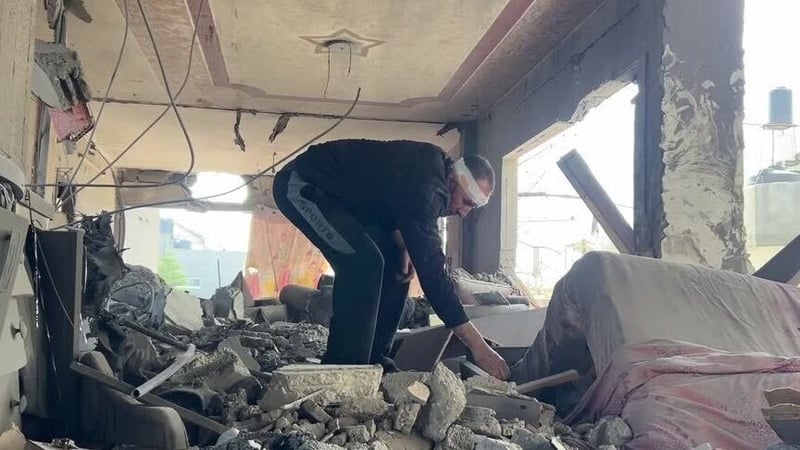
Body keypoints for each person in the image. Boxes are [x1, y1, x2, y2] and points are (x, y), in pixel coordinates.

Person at [272, 138, 510, 379]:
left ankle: (375, 359)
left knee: (398, 264)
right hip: (302, 184)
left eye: (473, 207)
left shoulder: (435, 170)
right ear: (454, 180)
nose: (463, 212)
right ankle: (344, 369)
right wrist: (478, 347)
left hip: (342, 200)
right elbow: (434, 278)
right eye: (466, 201)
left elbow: (390, 200)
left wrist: (403, 244)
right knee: (362, 264)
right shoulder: (428, 186)